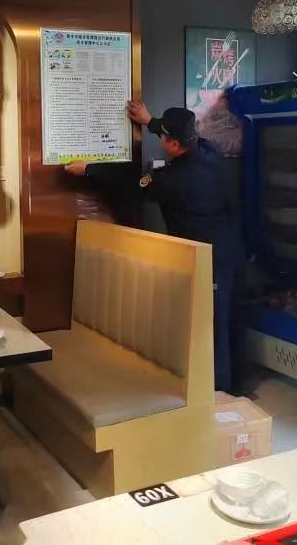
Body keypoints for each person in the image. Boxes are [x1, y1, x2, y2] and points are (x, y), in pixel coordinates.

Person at [65, 101, 245, 394]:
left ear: (173, 144)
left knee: (211, 324)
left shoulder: (172, 179)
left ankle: (219, 393)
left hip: (208, 258)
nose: (160, 140)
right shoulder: (209, 151)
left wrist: (88, 169)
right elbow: (173, 133)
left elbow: (130, 182)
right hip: (230, 250)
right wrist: (150, 122)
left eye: (162, 136)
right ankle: (231, 384)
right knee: (226, 318)